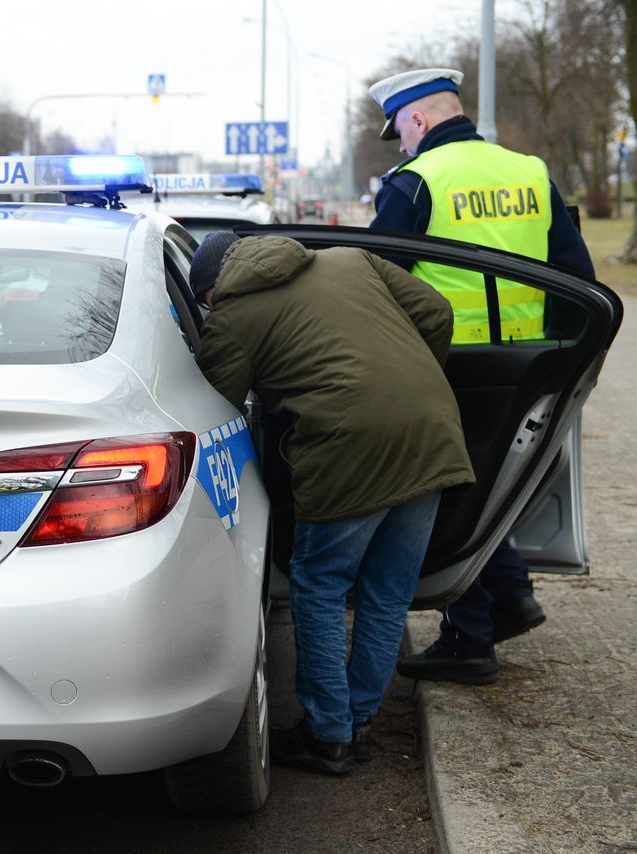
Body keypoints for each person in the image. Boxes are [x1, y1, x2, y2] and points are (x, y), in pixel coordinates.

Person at [192, 232, 474, 775]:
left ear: (211, 290)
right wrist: (405, 381)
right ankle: (357, 721)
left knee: (320, 585)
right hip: (432, 431)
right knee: (388, 591)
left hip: (348, 447)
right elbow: (436, 314)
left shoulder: (231, 313)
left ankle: (327, 734)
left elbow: (213, 406)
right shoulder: (351, 259)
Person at [368, 68, 595, 685]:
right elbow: (577, 273)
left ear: (415, 119)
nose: (403, 144)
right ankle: (510, 595)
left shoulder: (415, 182)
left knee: (436, 499)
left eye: (401, 132)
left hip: (442, 367)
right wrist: (570, 364)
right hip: (526, 364)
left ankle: (471, 638)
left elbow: (373, 278)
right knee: (489, 486)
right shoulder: (528, 171)